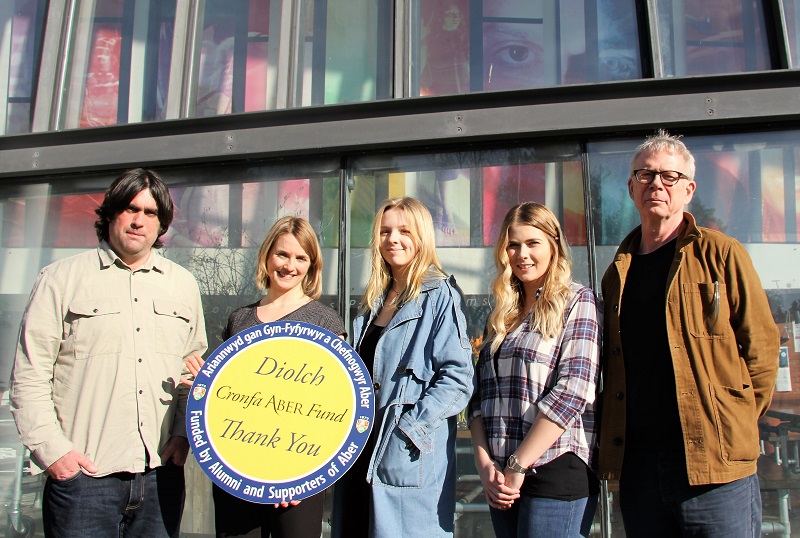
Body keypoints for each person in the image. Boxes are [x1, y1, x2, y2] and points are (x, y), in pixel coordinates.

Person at [597, 130, 780, 537]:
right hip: (641, 467)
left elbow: (762, 349)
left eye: (669, 176)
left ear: (689, 189)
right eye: (644, 175)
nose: (656, 184)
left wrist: (735, 421)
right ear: (631, 187)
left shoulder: (722, 254)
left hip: (715, 468)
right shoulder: (617, 273)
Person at [10, 168, 208, 537]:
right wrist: (54, 454)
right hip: (84, 481)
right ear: (111, 213)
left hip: (160, 476)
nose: (139, 221)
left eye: (151, 213)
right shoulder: (60, 279)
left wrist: (182, 436)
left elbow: (191, 373)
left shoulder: (182, 285)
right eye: (131, 209)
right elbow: (30, 374)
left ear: (162, 224)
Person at [183, 216, 345, 538]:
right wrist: (208, 388)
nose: (290, 266)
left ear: (312, 265)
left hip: (297, 479)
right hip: (239, 473)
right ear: (267, 256)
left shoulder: (325, 322)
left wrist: (303, 476)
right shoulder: (239, 319)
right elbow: (236, 399)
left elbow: (334, 409)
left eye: (301, 258)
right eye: (282, 254)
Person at [332, 197, 473, 538]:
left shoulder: (439, 295)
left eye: (403, 230)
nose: (392, 238)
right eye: (385, 231)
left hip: (403, 454)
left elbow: (458, 379)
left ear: (421, 236)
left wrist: (409, 427)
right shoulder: (370, 305)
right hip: (357, 454)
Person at [468, 202, 601, 537]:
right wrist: (484, 464)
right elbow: (478, 396)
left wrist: (518, 464)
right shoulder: (502, 314)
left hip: (555, 469)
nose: (522, 254)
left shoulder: (578, 302)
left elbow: (574, 390)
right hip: (502, 477)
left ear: (553, 246)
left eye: (532, 243)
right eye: (513, 245)